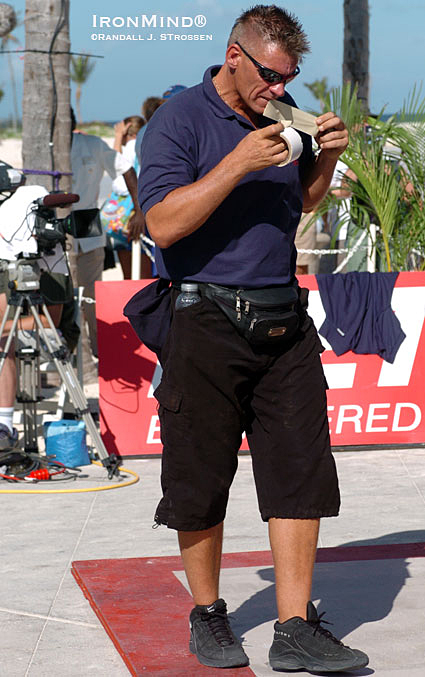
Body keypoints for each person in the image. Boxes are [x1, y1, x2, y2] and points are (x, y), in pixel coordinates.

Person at [138, 5, 369, 673]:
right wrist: (236, 162)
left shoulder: (285, 111)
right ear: (233, 55)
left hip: (281, 316)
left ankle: (294, 626)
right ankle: (208, 612)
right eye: (270, 75)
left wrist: (323, 159)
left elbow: (296, 205)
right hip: (201, 316)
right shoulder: (178, 118)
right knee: (199, 475)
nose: (279, 88)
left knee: (301, 470)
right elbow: (162, 222)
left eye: (289, 77)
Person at [70, 108, 144, 357]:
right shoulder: (43, 148)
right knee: (65, 297)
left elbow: (124, 168)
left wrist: (139, 209)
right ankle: (71, 353)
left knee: (92, 297)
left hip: (89, 223)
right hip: (57, 229)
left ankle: (98, 355)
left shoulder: (91, 144)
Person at [102, 115, 149, 279]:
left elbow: (119, 181)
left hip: (128, 217)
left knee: (130, 277)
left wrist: (117, 137)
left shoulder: (131, 147)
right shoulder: (145, 145)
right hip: (142, 213)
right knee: (146, 275)